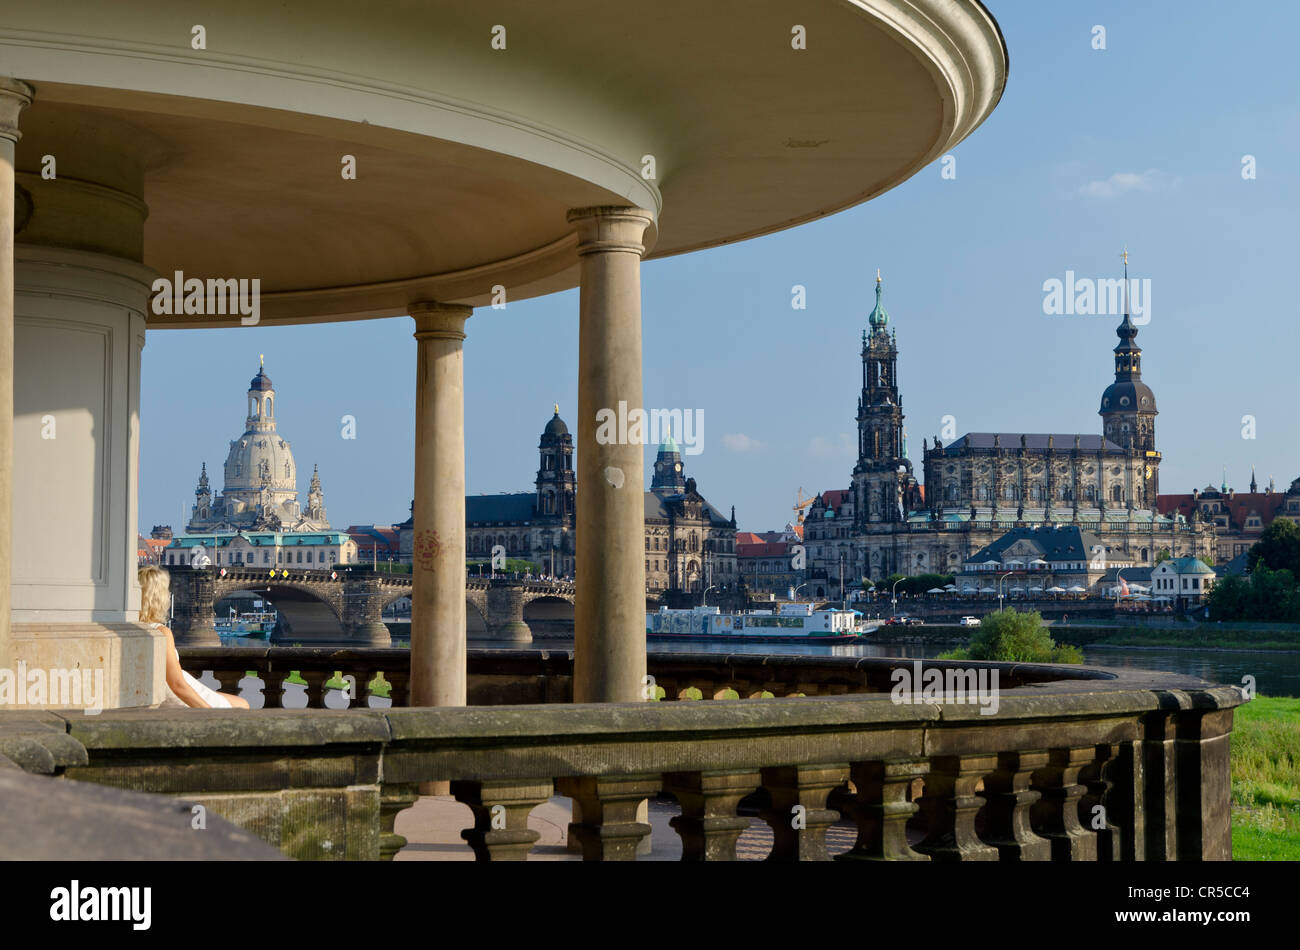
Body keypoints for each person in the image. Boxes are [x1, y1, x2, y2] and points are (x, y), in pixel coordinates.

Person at [138, 566, 249, 709]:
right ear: (158, 597)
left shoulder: (127, 630)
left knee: (235, 701)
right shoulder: (161, 633)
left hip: (165, 693)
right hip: (175, 696)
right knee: (242, 705)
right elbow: (177, 685)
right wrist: (209, 713)